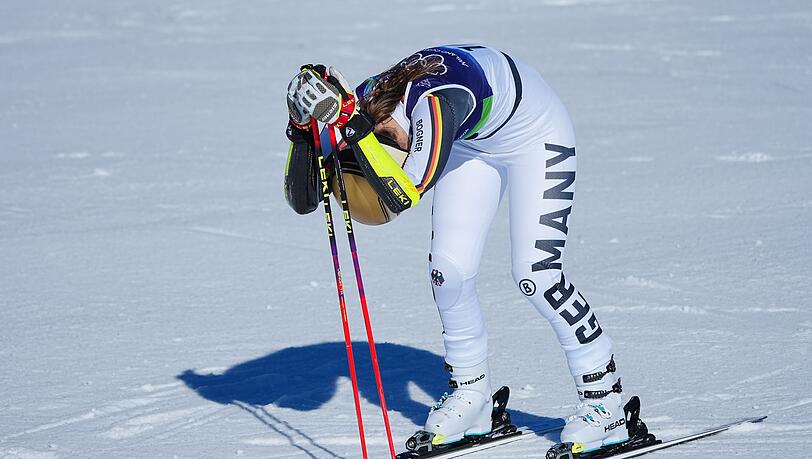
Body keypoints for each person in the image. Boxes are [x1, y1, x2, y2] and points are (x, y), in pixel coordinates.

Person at [283, 45, 628, 454]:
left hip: (536, 136)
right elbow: (305, 199)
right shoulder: (369, 103)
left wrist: (358, 135)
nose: (398, 153)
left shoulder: (437, 106)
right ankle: (471, 397)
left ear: (391, 125)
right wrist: (301, 131)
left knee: (537, 274)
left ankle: (606, 405)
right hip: (472, 142)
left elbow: (399, 196)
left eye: (392, 145)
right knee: (448, 271)